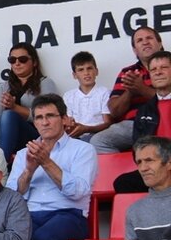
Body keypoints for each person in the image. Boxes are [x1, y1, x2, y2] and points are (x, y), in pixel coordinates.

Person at [7, 94, 98, 240]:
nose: (45, 122)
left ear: (64, 119)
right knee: (5, 236)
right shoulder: (23, 154)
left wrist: (46, 162)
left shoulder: (83, 149)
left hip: (69, 214)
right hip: (30, 214)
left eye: (50, 116)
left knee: (41, 238)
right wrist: (29, 171)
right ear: (34, 122)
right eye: (39, 117)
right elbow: (12, 196)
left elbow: (78, 192)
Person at [94, 26, 165, 154]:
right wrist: (130, 92)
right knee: (98, 142)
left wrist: (142, 89)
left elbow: (168, 98)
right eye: (139, 40)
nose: (145, 42)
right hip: (133, 124)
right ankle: (128, 173)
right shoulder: (128, 73)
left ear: (160, 43)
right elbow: (114, 111)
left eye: (149, 38)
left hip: (164, 119)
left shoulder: (169, 67)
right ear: (135, 50)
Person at [0, 43, 59, 159]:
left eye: (22, 59)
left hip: (33, 134)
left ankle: (0, 164)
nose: (17, 63)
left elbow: (50, 116)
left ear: (34, 62)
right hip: (6, 134)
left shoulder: (44, 83)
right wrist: (7, 120)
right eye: (12, 60)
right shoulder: (4, 87)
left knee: (9, 115)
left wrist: (14, 109)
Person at [116, 51, 171, 194]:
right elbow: (138, 148)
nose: (158, 72)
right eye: (153, 69)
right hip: (156, 167)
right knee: (123, 183)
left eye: (164, 68)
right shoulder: (144, 111)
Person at [64, 51, 113, 141]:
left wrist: (86, 129)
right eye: (81, 70)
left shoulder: (105, 93)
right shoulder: (68, 96)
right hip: (75, 137)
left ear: (96, 71)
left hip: (97, 135)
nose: (86, 73)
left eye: (89, 68)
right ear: (74, 75)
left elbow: (107, 123)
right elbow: (68, 122)